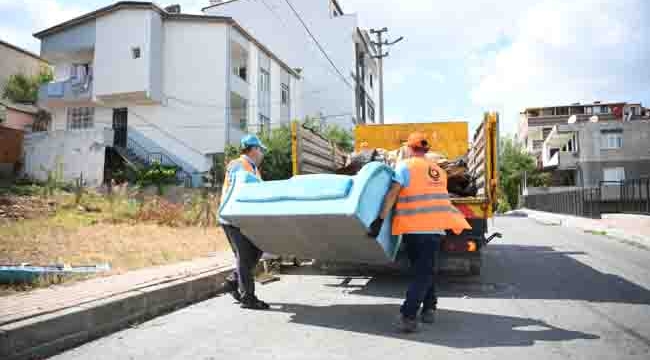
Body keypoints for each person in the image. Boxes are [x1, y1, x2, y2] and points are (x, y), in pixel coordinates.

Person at [368, 132, 472, 332]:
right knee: (424, 270)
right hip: (434, 228)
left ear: (408, 148)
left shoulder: (404, 166)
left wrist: (380, 219)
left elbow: (392, 194)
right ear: (426, 151)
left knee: (422, 272)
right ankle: (430, 308)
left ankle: (408, 315)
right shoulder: (439, 172)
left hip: (412, 228)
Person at [219, 134, 270, 310]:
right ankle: (248, 297)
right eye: (261, 150)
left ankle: (232, 282)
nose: (262, 153)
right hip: (233, 218)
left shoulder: (254, 168)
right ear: (254, 149)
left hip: (246, 219)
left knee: (255, 251)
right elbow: (237, 190)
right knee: (244, 256)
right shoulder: (237, 165)